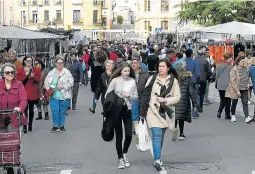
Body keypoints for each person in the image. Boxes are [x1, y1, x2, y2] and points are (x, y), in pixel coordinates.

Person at [140, 59, 180, 171]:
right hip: (153, 111)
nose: (160, 68)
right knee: (156, 136)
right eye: (159, 66)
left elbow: (177, 97)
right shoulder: (152, 78)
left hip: (166, 112)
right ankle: (157, 160)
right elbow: (145, 94)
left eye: (163, 66)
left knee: (161, 137)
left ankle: (158, 156)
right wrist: (142, 113)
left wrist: (166, 100)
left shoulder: (174, 80)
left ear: (168, 68)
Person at [105, 62, 138, 169]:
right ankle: (120, 159)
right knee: (119, 135)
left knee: (129, 134)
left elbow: (136, 97)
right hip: (116, 110)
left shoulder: (132, 81)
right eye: (125, 71)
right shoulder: (115, 80)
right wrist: (117, 97)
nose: (127, 73)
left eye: (128, 71)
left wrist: (129, 96)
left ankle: (124, 153)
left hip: (128, 109)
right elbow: (107, 95)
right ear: (120, 71)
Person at [0, 63, 28, 174]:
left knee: (12, 142)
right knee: (2, 143)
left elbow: (24, 100)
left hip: (13, 117)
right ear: (3, 74)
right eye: (7, 72)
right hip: (0, 118)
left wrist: (19, 108)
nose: (10, 74)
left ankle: (14, 161)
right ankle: (7, 166)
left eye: (12, 72)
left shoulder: (19, 84)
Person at [44, 55, 74, 132]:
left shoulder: (67, 72)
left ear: (63, 63)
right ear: (55, 64)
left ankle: (61, 125)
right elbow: (46, 82)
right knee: (54, 111)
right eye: (58, 63)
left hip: (64, 95)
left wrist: (63, 87)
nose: (60, 64)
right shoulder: (51, 72)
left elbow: (71, 82)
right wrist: (50, 88)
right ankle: (55, 125)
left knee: (62, 111)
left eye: (61, 63)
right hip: (54, 95)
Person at [16, 56, 41, 133]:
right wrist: (27, 75)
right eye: (27, 61)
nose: (29, 62)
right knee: (24, 110)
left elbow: (38, 80)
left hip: (33, 93)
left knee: (31, 110)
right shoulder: (20, 70)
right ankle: (24, 126)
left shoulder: (36, 70)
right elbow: (19, 82)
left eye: (30, 61)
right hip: (23, 93)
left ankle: (30, 124)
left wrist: (33, 77)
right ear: (24, 62)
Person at [226, 56, 253, 123]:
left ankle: (247, 117)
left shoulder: (246, 69)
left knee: (245, 103)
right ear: (238, 62)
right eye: (242, 61)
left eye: (244, 61)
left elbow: (248, 77)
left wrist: (248, 83)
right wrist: (237, 90)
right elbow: (232, 81)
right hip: (236, 89)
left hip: (244, 88)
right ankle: (233, 115)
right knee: (234, 102)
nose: (244, 62)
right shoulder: (234, 69)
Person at [174, 61, 195, 140]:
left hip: (174, 99)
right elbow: (191, 91)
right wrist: (194, 102)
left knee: (175, 116)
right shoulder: (187, 77)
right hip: (184, 99)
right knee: (181, 118)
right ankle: (181, 133)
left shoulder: (173, 77)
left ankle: (174, 129)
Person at [215, 52, 233, 119]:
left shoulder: (220, 65)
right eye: (231, 57)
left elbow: (217, 76)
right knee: (228, 100)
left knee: (223, 99)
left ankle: (220, 112)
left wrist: (216, 83)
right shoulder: (231, 67)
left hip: (220, 84)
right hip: (228, 85)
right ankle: (226, 114)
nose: (232, 59)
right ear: (228, 58)